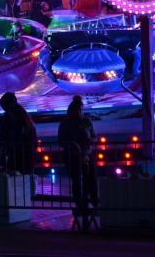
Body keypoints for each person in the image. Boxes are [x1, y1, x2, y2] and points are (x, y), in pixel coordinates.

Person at [58, 95, 98, 231]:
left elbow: (94, 135)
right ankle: (80, 204)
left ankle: (93, 202)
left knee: (91, 178)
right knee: (77, 180)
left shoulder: (87, 121)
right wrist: (72, 145)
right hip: (73, 156)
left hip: (87, 154)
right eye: (77, 110)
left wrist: (91, 140)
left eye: (81, 109)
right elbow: (61, 140)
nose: (80, 112)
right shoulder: (65, 123)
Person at [0, 92, 36, 174]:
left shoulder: (10, 117)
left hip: (16, 155)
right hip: (26, 155)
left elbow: (10, 135)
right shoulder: (24, 116)